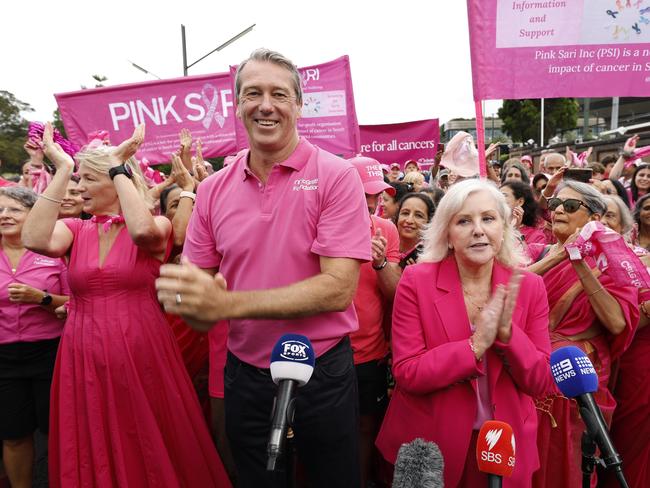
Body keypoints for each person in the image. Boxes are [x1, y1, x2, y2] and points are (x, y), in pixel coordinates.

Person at [155, 48, 371, 488]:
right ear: (238, 106)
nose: (265, 104)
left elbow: (337, 289)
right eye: (253, 93)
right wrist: (188, 301)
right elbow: (196, 294)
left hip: (323, 368)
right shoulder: (213, 189)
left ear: (298, 104)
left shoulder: (336, 175)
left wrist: (227, 303)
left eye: (279, 94)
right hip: (245, 372)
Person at [21, 123, 229, 487]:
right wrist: (63, 169)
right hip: (82, 348)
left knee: (144, 431)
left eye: (87, 179)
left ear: (115, 181)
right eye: (78, 180)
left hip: (140, 345)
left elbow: (143, 233)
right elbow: (34, 237)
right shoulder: (76, 229)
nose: (80, 188)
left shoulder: (158, 225)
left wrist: (119, 165)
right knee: (93, 432)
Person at [376, 179, 553, 487]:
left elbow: (540, 381)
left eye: (488, 218)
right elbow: (408, 372)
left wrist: (509, 338)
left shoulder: (529, 287)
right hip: (431, 446)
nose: (478, 230)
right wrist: (473, 347)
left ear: (503, 228)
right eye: (464, 221)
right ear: (446, 233)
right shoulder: (416, 281)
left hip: (503, 448)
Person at [528, 181, 639, 488]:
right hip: (530, 371)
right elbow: (505, 284)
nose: (560, 210)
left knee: (571, 464)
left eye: (571, 206)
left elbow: (617, 322)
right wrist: (559, 257)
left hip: (577, 379)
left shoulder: (610, 266)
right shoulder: (536, 253)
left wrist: (580, 265)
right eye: (555, 205)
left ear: (593, 219)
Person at [0, 187, 69, 488]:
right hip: (3, 358)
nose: (4, 215)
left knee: (57, 431)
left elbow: (75, 301)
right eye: (0, 210)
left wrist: (40, 298)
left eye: (13, 209)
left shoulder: (53, 252)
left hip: (50, 352)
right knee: (13, 434)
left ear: (32, 214)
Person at [348, 156, 401, 488]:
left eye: (377, 194)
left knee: (368, 427)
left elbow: (396, 293)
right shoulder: (318, 224)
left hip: (368, 354)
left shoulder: (386, 229)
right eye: (364, 194)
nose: (372, 202)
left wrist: (381, 263)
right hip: (324, 351)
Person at [500, 180, 545, 258]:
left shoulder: (537, 235)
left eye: (504, 195)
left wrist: (515, 232)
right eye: (497, 195)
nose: (498, 199)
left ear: (520, 201)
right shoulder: (493, 228)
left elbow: (528, 261)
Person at [394, 193, 435, 269]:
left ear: (429, 222)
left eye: (418, 215)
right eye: (405, 213)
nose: (409, 220)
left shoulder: (431, 257)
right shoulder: (384, 243)